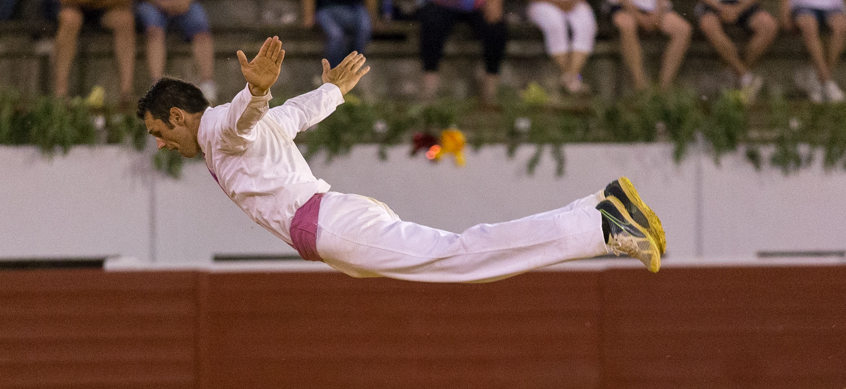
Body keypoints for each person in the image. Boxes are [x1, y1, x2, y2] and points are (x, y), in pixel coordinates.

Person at [136, 37, 667, 283]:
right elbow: (292, 117)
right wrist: (333, 93)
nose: (160, 143)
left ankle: (601, 225)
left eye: (159, 131)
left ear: (179, 116)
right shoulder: (223, 137)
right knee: (460, 258)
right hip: (331, 231)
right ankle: (597, 210)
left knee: (463, 257)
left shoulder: (221, 129)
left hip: (330, 226)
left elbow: (245, 118)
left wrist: (254, 94)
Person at [417, 0, 507, 105]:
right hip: (442, 5)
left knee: (495, 26)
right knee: (432, 21)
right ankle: (429, 90)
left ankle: (490, 92)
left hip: (478, 6)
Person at [53, 0, 137, 103]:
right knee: (69, 19)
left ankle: (126, 94)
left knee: (125, 20)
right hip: (72, 8)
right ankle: (60, 93)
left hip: (104, 8)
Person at [780, 0, 846, 102]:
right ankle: (827, 82)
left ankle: (818, 82)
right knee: (809, 25)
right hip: (802, 6)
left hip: (833, 7)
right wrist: (785, 13)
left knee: (841, 26)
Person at [135, 0, 217, 103]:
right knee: (154, 31)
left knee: (201, 30)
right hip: (152, 4)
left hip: (185, 4)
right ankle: (157, 85)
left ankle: (207, 83)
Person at [695, 0, 778, 100]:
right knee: (708, 25)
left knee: (768, 25)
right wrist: (721, 7)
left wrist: (737, 9)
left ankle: (739, 77)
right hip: (713, 6)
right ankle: (746, 77)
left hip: (744, 6)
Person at [606, 0, 693, 93]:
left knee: (683, 30)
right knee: (627, 25)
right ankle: (640, 86)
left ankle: (664, 87)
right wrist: (638, 16)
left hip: (656, 11)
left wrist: (657, 16)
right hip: (623, 8)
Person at [526, 0, 597, 96]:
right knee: (555, 23)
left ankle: (570, 78)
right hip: (543, 3)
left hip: (574, 3)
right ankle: (573, 81)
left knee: (586, 24)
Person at [304, 0, 378, 74]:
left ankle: (351, 69)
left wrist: (373, 18)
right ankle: (333, 74)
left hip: (355, 8)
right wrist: (308, 15)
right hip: (326, 8)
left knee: (364, 28)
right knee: (336, 36)